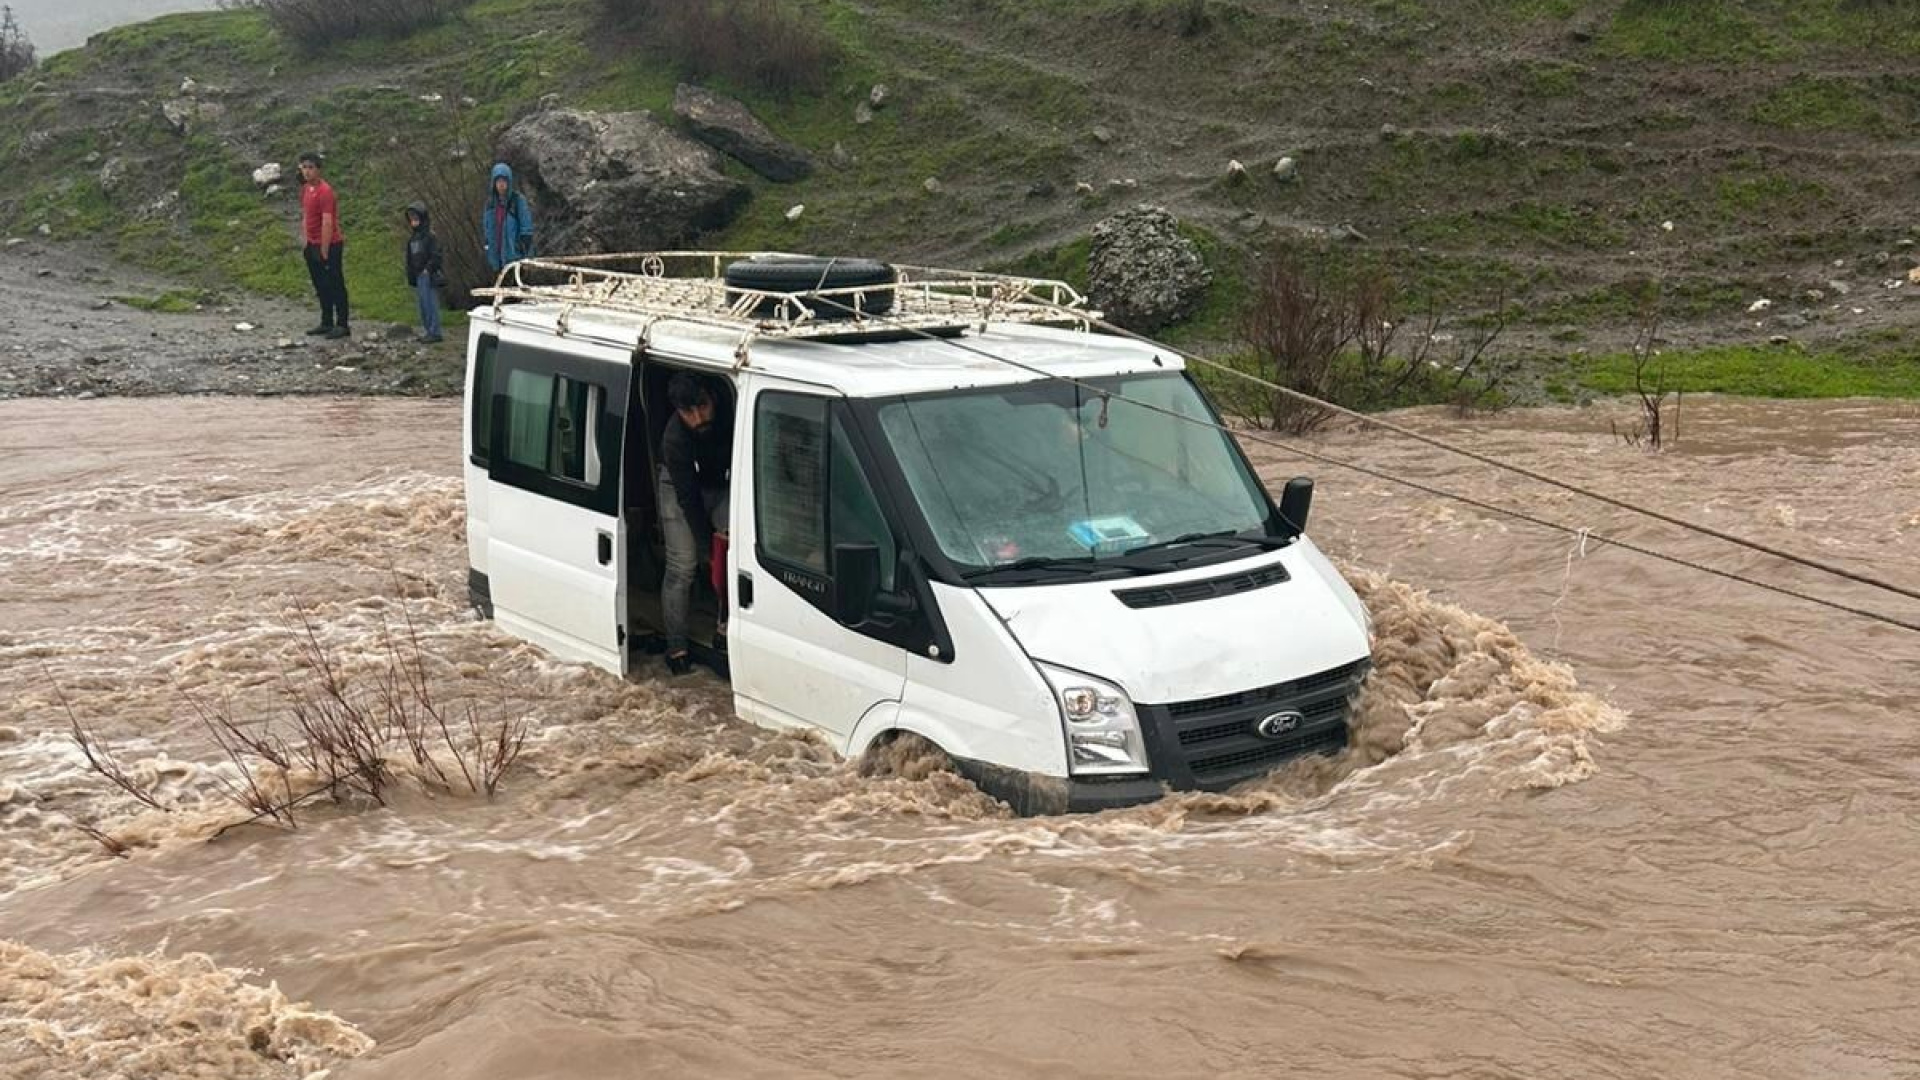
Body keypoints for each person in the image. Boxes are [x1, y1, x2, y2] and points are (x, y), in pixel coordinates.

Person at [659, 372, 731, 676]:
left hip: (721, 481)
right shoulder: (675, 439)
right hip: (679, 487)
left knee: (735, 554)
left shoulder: (731, 407)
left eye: (702, 406)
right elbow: (689, 500)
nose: (698, 417)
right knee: (682, 566)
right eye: (689, 412)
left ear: (712, 397)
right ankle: (676, 646)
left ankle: (725, 627)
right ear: (678, 412)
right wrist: (706, 548)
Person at [297, 151, 350, 339]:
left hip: (329, 243)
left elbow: (328, 221)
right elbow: (306, 215)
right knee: (320, 285)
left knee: (336, 283)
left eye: (311, 167)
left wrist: (324, 249)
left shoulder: (325, 191)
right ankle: (326, 320)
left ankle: (342, 323)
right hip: (312, 244)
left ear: (318, 170)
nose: (307, 172)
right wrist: (306, 241)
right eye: (304, 167)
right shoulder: (306, 189)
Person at [402, 202, 445, 344]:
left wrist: (428, 269)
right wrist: (411, 276)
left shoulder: (430, 236)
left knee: (430, 304)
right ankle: (428, 331)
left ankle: (435, 331)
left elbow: (436, 255)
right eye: (411, 218)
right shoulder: (412, 239)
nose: (413, 220)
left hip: (428, 275)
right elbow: (409, 259)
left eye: (416, 217)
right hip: (418, 275)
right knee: (422, 305)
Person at [481, 162, 535, 273]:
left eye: (504, 181)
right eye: (498, 181)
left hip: (515, 259)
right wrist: (488, 248)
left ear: (509, 182)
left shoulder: (517, 201)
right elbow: (487, 231)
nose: (501, 184)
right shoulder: (490, 205)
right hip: (496, 260)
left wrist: (522, 250)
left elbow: (526, 229)